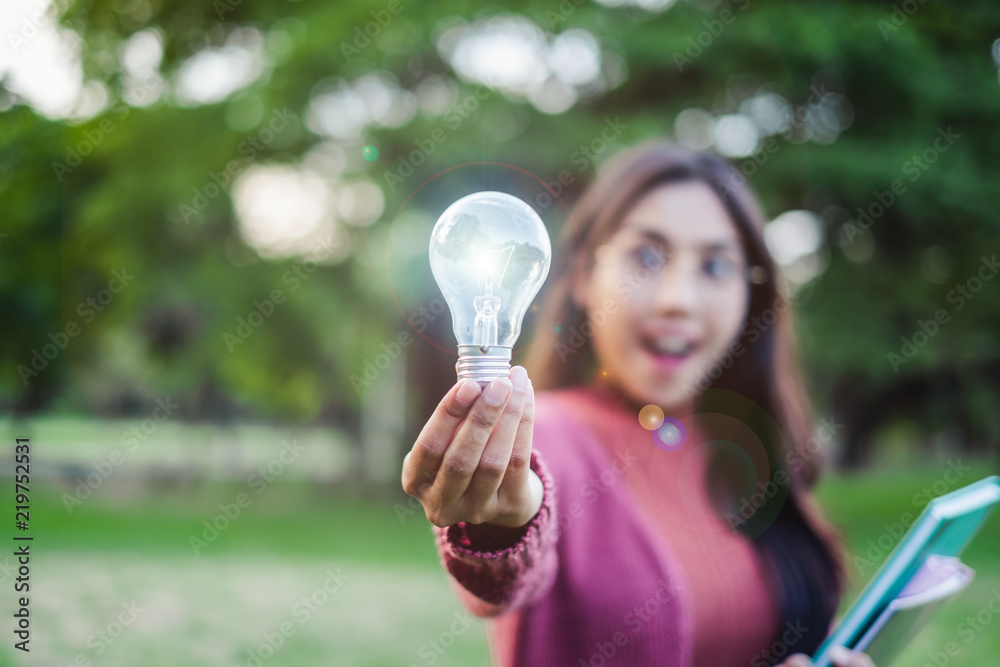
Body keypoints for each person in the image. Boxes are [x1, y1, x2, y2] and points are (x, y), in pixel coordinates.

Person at [401, 141, 874, 667]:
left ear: (751, 291)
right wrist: (500, 523)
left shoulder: (747, 445)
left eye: (715, 266)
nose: (679, 298)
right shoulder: (550, 435)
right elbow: (504, 573)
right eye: (646, 257)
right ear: (582, 275)